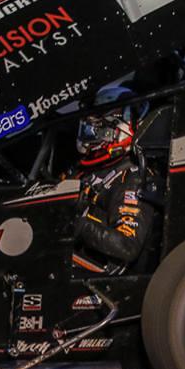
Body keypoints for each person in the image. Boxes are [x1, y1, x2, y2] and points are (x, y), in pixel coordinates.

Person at [73, 106, 153, 270]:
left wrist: (77, 225)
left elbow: (127, 246)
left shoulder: (131, 177)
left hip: (101, 281)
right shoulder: (87, 170)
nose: (87, 136)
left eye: (93, 130)